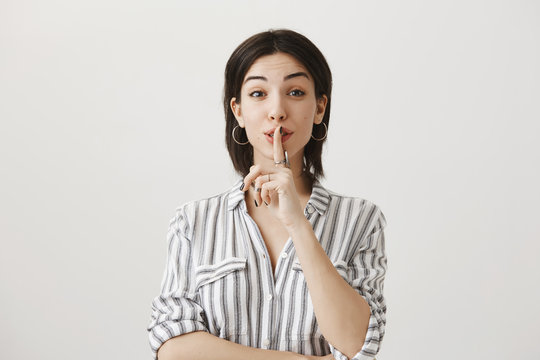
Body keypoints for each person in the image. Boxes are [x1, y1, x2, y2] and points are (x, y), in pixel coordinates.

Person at [147, 29, 387, 360]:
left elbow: (356, 344)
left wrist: (297, 223)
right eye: (258, 93)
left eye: (296, 91)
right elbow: (172, 349)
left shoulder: (361, 220)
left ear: (319, 108)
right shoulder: (194, 221)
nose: (277, 110)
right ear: (238, 111)